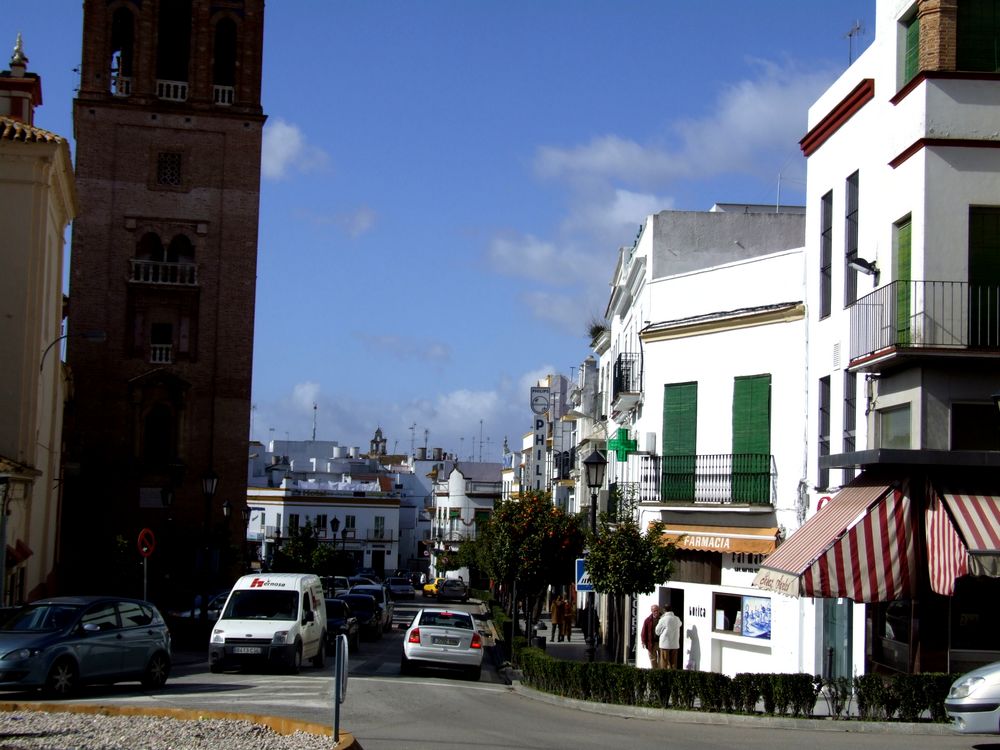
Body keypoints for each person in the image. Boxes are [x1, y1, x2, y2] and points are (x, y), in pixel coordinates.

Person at [655, 605, 683, 669]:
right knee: (673, 663)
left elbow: (657, 631)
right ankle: (673, 676)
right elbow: (680, 624)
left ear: (664, 610)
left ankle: (664, 677)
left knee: (664, 662)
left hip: (665, 644)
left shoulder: (663, 619)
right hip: (675, 644)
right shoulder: (677, 618)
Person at [641, 604, 661, 668]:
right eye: (654, 611)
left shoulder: (663, 618)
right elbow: (644, 631)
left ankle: (661, 672)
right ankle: (655, 672)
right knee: (653, 659)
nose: (656, 612)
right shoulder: (648, 620)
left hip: (661, 642)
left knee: (662, 659)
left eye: (657, 610)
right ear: (651, 611)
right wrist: (643, 641)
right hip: (651, 643)